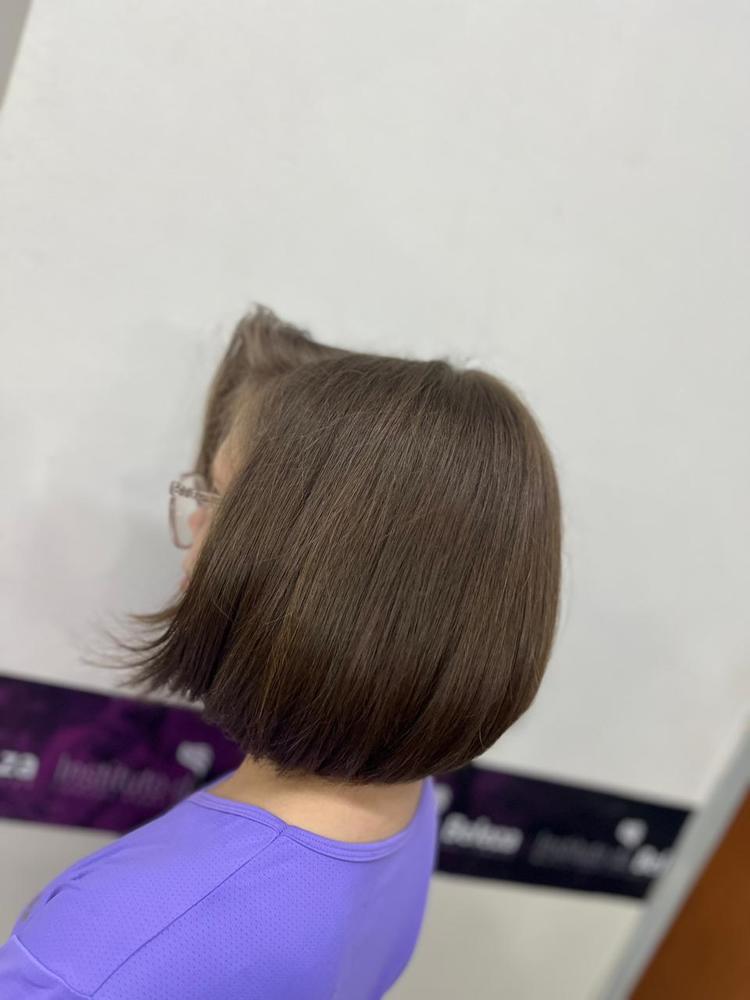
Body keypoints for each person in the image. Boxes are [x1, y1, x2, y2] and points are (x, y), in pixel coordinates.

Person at [0, 304, 563, 998]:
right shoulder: (400, 804)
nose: (195, 524)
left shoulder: (104, 953)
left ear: (312, 572)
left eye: (218, 496)